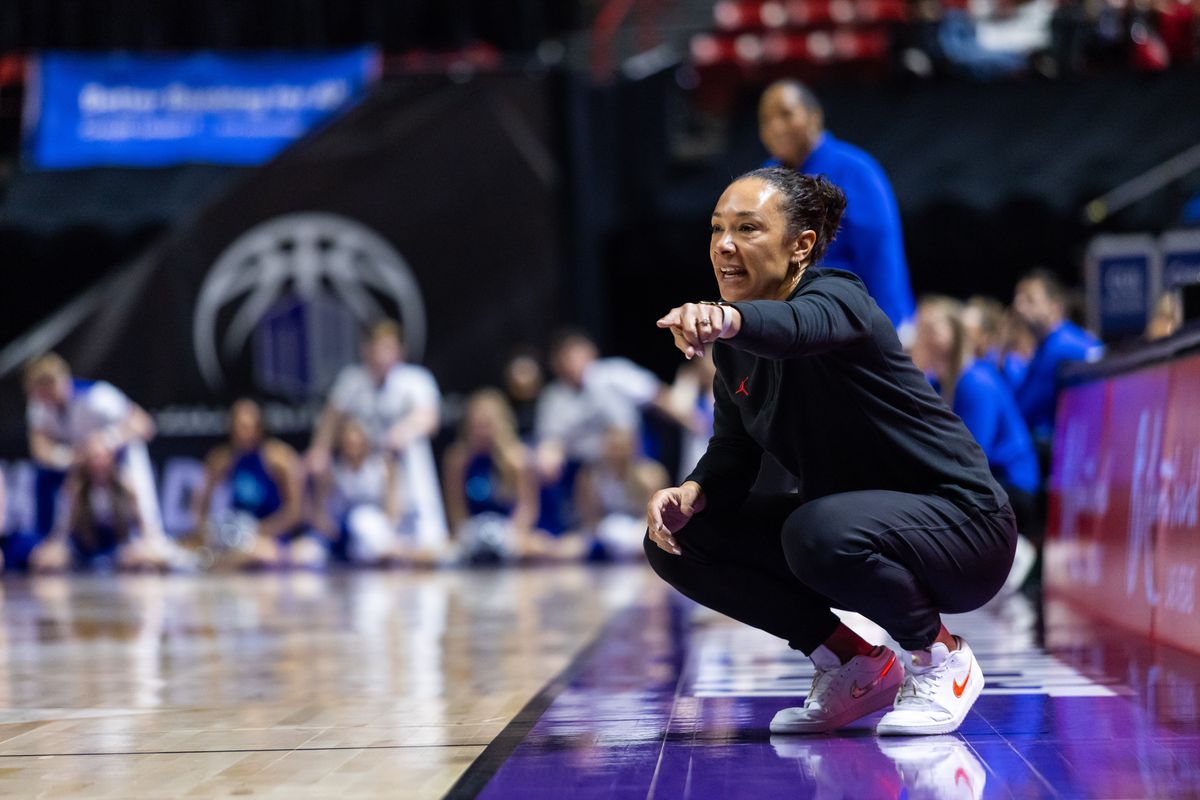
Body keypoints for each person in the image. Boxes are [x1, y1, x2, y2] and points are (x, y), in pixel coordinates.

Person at [644, 167, 1016, 737]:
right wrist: (691, 492)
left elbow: (795, 327)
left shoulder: (839, 297)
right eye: (717, 228)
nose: (723, 244)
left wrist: (725, 319)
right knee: (679, 538)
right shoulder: (735, 353)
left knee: (814, 530)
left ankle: (943, 658)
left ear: (802, 246)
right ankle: (853, 663)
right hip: (853, 530)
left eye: (747, 228)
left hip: (964, 526)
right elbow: (733, 452)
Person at [758, 80, 916, 341]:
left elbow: (879, 254)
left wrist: (891, 327)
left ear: (814, 117)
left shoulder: (855, 170)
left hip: (850, 323)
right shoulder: (763, 180)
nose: (775, 126)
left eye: (786, 114)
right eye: (766, 120)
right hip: (791, 328)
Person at [913, 296, 1041, 593]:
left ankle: (1013, 553)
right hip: (986, 477)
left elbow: (973, 452)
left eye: (932, 331)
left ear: (952, 335)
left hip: (1011, 484)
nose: (924, 338)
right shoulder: (938, 383)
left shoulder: (976, 381)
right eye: (922, 331)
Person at [533, 329, 695, 534]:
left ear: (591, 353)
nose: (571, 363)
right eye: (565, 358)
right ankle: (566, 530)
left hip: (632, 458)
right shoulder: (554, 397)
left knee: (649, 478)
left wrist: (694, 422)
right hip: (590, 468)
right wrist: (548, 455)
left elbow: (657, 395)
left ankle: (654, 526)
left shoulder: (615, 373)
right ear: (556, 364)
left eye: (575, 355)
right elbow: (550, 439)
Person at [307, 320, 448, 552]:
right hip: (369, 474)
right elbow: (331, 421)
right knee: (371, 539)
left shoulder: (415, 379)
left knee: (426, 543)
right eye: (374, 347)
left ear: (399, 350)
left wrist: (402, 432)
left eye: (386, 347)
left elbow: (429, 419)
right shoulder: (352, 380)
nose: (379, 355)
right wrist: (320, 450)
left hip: (409, 471)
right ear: (364, 349)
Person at [23, 353, 168, 552]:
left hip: (116, 456)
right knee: (46, 475)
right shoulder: (38, 406)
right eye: (39, 391)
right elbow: (39, 448)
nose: (45, 396)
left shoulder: (97, 397)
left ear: (62, 380)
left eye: (49, 387)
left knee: (133, 469)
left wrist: (108, 440)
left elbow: (144, 424)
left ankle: (152, 536)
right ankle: (50, 542)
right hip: (81, 459)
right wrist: (69, 457)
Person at [193, 399, 310, 568]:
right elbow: (200, 505)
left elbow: (295, 511)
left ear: (260, 427)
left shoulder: (279, 458)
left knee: (262, 554)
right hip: (238, 531)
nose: (243, 433)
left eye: (248, 427)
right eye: (239, 427)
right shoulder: (222, 459)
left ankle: (220, 562)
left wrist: (263, 530)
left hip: (271, 534)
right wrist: (206, 531)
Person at [29, 434, 166, 572]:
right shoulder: (75, 488)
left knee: (150, 560)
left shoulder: (126, 486)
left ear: (111, 458)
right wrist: (53, 549)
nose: (99, 463)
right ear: (86, 460)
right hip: (84, 551)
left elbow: (145, 527)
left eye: (103, 456)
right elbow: (62, 530)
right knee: (46, 560)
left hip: (118, 550)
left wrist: (148, 546)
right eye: (94, 457)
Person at [442, 388, 547, 563]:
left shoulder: (518, 459)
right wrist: (465, 535)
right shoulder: (457, 460)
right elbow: (455, 508)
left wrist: (512, 535)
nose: (482, 432)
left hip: (509, 531)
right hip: (472, 531)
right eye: (477, 426)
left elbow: (527, 508)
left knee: (543, 548)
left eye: (487, 425)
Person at [1011, 269, 1102, 448]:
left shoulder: (1062, 347)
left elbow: (1025, 410)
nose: (1018, 306)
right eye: (1018, 299)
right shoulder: (1047, 346)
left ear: (1054, 306)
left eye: (1029, 300)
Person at [311, 419, 401, 565]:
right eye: (348, 443)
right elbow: (322, 511)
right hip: (341, 531)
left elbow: (393, 508)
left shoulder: (381, 468)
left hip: (374, 527)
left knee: (364, 523)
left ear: (365, 443)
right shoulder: (333, 472)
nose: (353, 448)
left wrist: (389, 529)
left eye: (357, 443)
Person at [576, 426, 669, 560]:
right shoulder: (591, 477)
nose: (617, 454)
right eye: (612, 447)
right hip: (604, 534)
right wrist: (604, 532)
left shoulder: (651, 475)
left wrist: (632, 536)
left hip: (640, 532)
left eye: (621, 448)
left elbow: (655, 518)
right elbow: (590, 517)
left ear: (633, 448)